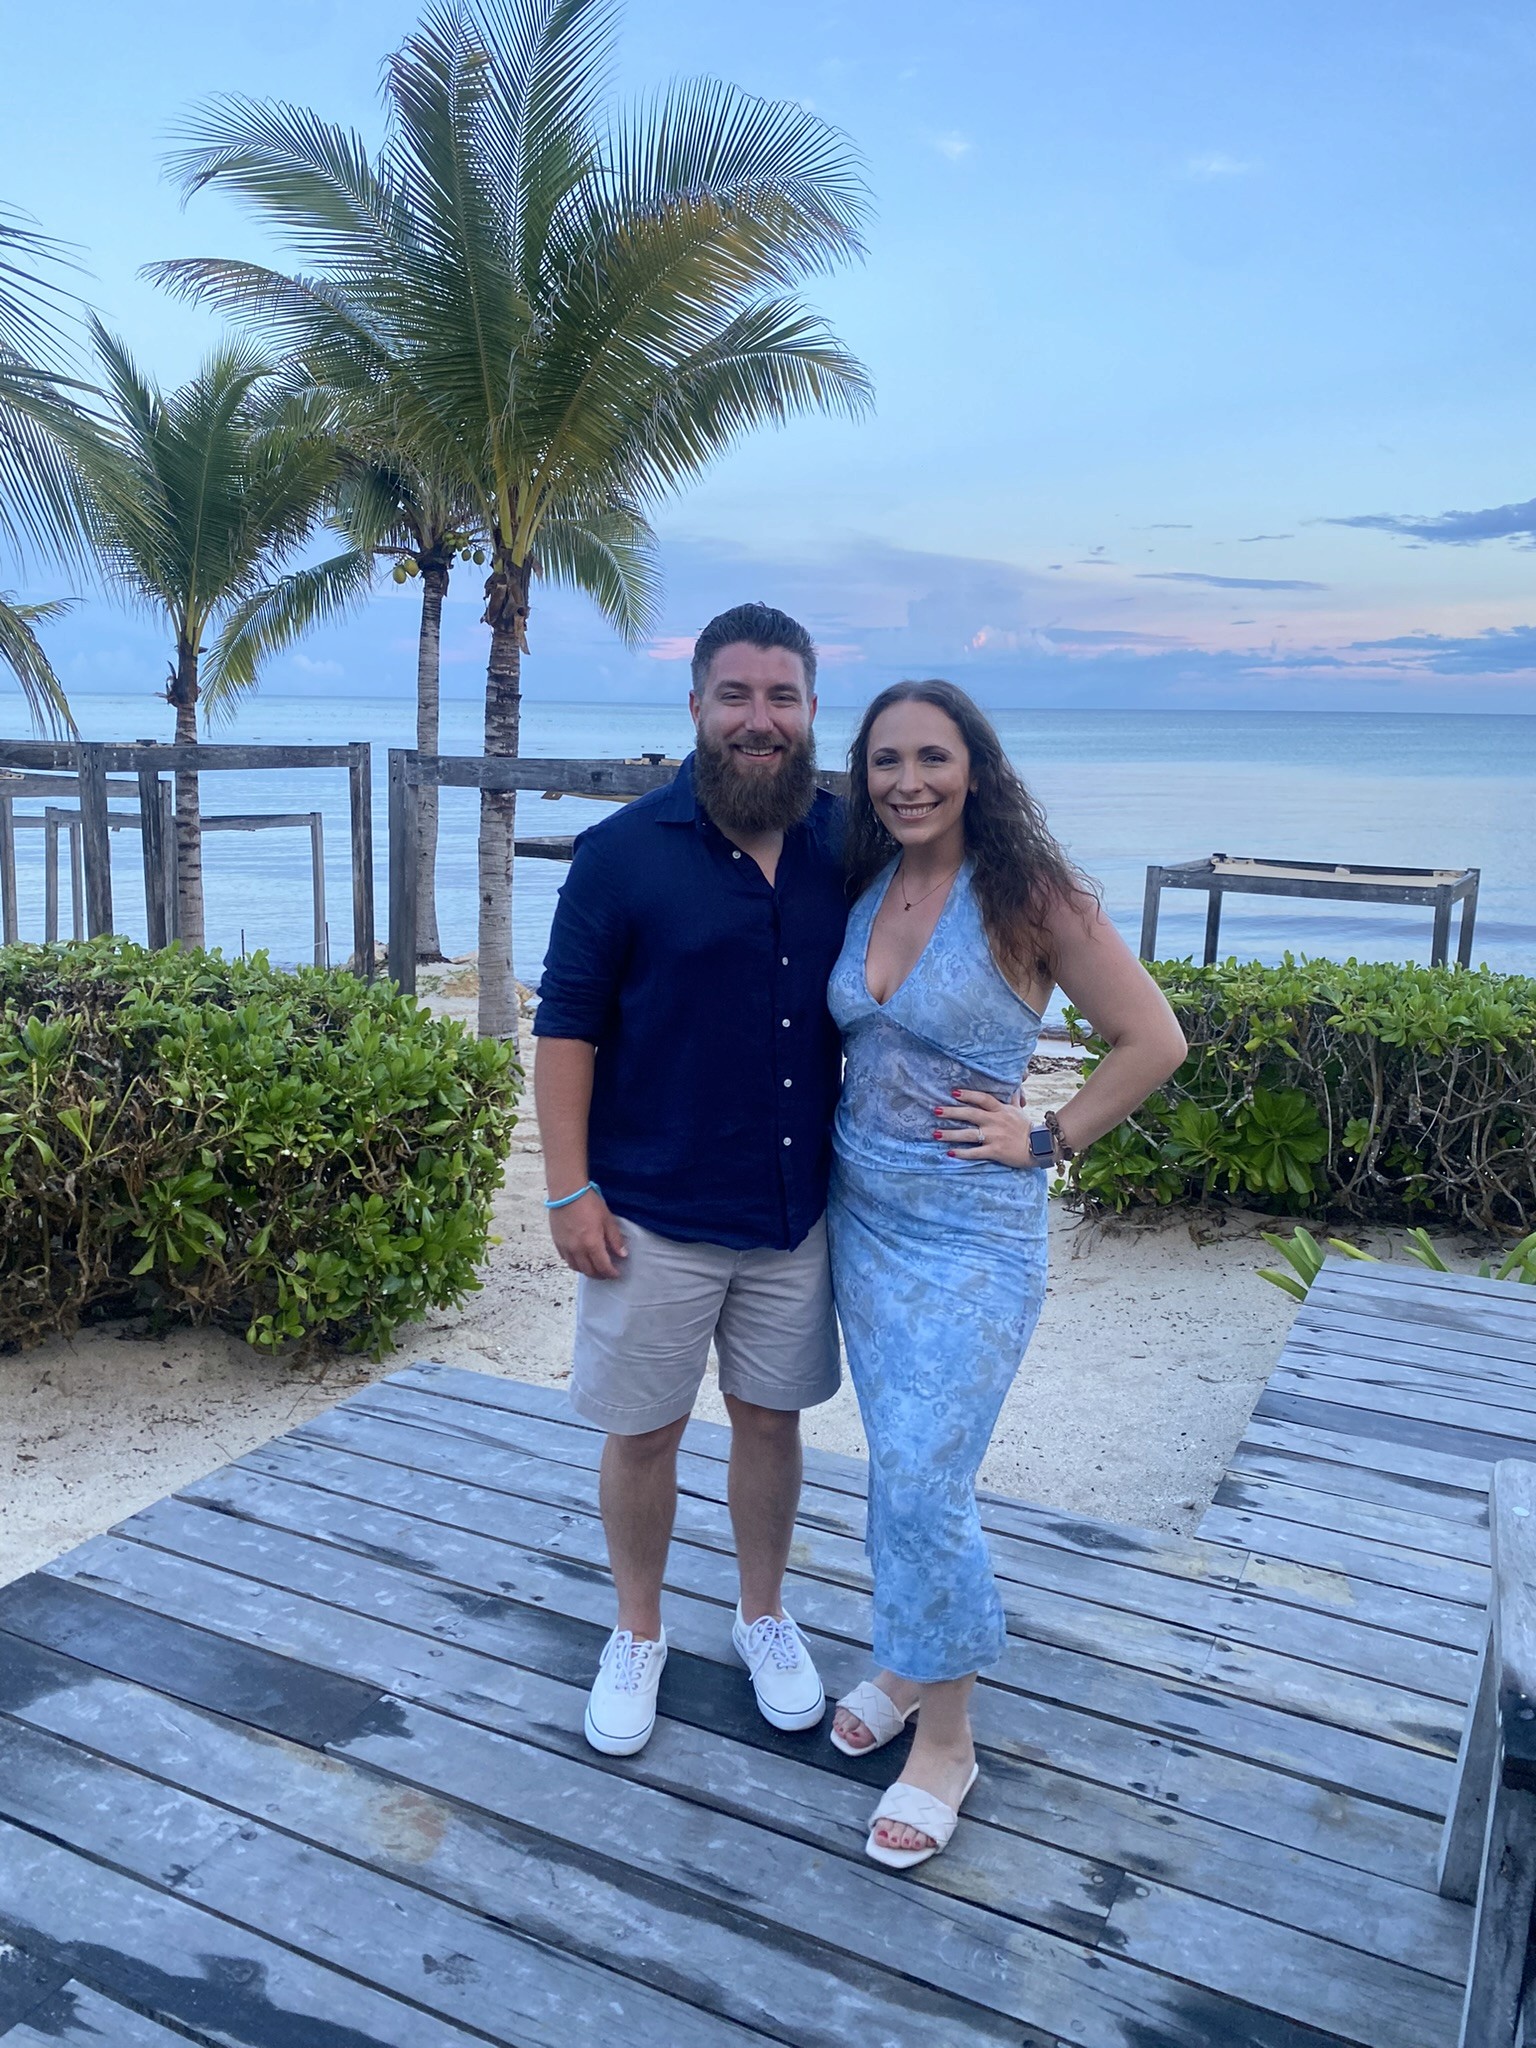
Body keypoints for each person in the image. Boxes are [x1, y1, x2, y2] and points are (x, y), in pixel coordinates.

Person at [825, 679, 1187, 1869]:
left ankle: (950, 1741)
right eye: (886, 760)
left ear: (975, 764)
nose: (908, 779)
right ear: (864, 773)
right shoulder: (864, 879)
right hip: (861, 1216)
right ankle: (905, 1657)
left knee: (928, 1477)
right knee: (899, 1461)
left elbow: (1153, 1039)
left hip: (974, 1231)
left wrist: (1049, 1135)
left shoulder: (1029, 893)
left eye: (933, 755)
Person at [533, 602, 848, 1757]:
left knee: (772, 1422)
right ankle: (638, 1627)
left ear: (813, 709)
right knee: (646, 1431)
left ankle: (764, 1612)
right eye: (737, 695)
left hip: (793, 1211)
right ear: (698, 706)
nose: (759, 720)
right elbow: (566, 1026)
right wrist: (569, 1190)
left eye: (782, 696)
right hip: (649, 1210)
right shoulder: (620, 853)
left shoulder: (850, 840)